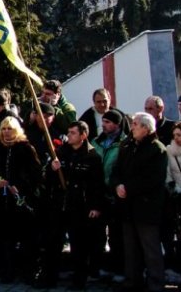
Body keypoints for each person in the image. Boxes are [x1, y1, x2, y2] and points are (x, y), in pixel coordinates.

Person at [36, 121, 104, 290]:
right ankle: (49, 277)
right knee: (53, 243)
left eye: (73, 133)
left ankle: (79, 280)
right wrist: (52, 169)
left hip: (80, 206)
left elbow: (97, 185)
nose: (70, 135)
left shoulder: (92, 157)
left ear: (83, 135)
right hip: (59, 205)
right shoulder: (60, 152)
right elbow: (48, 180)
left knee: (79, 245)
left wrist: (95, 207)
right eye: (69, 132)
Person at [111, 112, 168, 292]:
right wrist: (117, 185)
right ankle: (132, 282)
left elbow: (153, 179)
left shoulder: (157, 149)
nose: (132, 127)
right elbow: (116, 170)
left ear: (146, 128)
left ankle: (155, 284)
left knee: (150, 248)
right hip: (128, 207)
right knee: (131, 249)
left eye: (135, 124)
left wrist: (128, 188)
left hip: (146, 207)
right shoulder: (127, 145)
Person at [0, 116, 43, 284]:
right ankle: (8, 271)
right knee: (6, 239)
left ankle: (29, 271)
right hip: (2, 203)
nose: (6, 132)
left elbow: (36, 174)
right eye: (3, 129)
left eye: (9, 129)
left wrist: (20, 186)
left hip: (21, 202)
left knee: (27, 239)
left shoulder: (26, 148)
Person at [90, 109, 127, 279]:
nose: (103, 125)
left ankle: (118, 268)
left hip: (115, 195)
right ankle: (99, 268)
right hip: (97, 193)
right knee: (97, 235)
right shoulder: (96, 142)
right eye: (103, 121)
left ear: (117, 124)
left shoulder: (124, 143)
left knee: (116, 236)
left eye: (108, 122)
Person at [164, 122, 181, 272]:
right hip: (178, 197)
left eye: (179, 135)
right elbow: (168, 175)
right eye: (175, 135)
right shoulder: (169, 150)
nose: (176, 138)